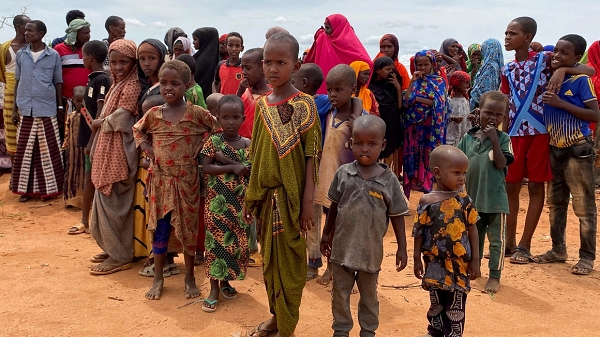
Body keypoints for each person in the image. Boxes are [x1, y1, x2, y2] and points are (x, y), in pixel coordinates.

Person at [243, 32, 321, 337]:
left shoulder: (305, 106)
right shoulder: (262, 106)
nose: (272, 68)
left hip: (291, 202)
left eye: (281, 62)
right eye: (267, 62)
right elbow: (258, 156)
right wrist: (252, 197)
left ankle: (286, 325)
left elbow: (311, 158)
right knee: (269, 266)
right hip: (265, 199)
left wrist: (306, 205)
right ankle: (276, 319)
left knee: (290, 268)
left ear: (296, 64)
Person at [501, 17, 594, 264]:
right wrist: (502, 136)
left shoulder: (545, 60)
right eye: (506, 33)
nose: (507, 37)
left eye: (513, 33)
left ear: (528, 37)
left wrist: (562, 69)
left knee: (535, 187)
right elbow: (506, 102)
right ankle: (509, 244)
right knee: (510, 187)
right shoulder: (507, 69)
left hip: (541, 133)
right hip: (515, 135)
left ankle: (524, 246)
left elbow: (589, 70)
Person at [133, 60, 219, 300]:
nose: (168, 88)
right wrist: (147, 148)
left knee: (188, 230)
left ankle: (190, 277)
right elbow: (137, 130)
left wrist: (202, 146)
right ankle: (158, 277)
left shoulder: (195, 113)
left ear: (187, 85)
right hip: (160, 181)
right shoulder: (153, 114)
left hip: (187, 181)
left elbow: (216, 128)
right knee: (159, 229)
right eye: (163, 83)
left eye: (175, 83)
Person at [320, 114, 409, 337]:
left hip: (370, 252)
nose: (364, 149)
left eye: (372, 144)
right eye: (358, 143)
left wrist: (402, 247)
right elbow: (334, 206)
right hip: (341, 249)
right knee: (340, 294)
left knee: (369, 297)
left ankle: (368, 331)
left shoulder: (389, 181)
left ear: (383, 145)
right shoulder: (344, 173)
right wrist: (326, 233)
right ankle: (341, 330)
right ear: (351, 143)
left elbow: (397, 215)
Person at [533, 34, 598, 276]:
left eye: (565, 53)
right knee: (556, 203)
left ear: (575, 57)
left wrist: (561, 103)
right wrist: (560, 70)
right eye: (556, 51)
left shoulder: (581, 81)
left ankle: (586, 257)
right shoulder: (548, 76)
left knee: (583, 205)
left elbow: (594, 115)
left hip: (577, 148)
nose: (557, 56)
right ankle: (558, 249)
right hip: (554, 148)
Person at [413, 145, 480, 337]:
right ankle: (434, 331)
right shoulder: (427, 201)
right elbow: (419, 231)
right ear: (437, 172)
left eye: (464, 173)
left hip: (459, 264)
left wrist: (475, 259)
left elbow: (472, 229)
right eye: (457, 173)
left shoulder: (464, 200)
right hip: (434, 262)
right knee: (436, 301)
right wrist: (417, 258)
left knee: (456, 302)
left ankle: (454, 334)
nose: (462, 179)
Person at [88, 39, 141, 275]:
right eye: (115, 62)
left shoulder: (131, 86)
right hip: (108, 149)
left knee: (115, 202)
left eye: (124, 62)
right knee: (107, 200)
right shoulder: (116, 84)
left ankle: (120, 255)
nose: (118, 67)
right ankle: (113, 248)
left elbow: (124, 118)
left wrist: (101, 122)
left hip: (119, 151)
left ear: (133, 63)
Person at [311, 64, 368, 285]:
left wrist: (357, 122)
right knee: (330, 226)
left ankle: (349, 272)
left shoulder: (360, 120)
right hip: (327, 182)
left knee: (349, 229)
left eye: (339, 90)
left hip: (350, 186)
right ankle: (331, 267)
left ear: (352, 90)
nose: (333, 95)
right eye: (330, 89)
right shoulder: (328, 110)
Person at [458, 91, 513, 294]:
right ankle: (474, 269)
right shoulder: (467, 138)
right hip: (472, 201)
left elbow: (501, 164)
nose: (493, 118)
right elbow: (459, 164)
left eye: (499, 115)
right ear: (478, 112)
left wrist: (495, 140)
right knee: (475, 238)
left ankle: (495, 276)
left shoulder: (504, 139)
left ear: (504, 117)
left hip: (496, 201)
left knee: (497, 241)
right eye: (488, 113)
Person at [201, 94, 251, 312]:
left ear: (243, 118)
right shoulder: (213, 142)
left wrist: (228, 161)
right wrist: (231, 167)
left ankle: (226, 282)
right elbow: (207, 168)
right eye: (225, 117)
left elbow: (248, 171)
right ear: (218, 118)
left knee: (233, 247)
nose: (230, 122)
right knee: (214, 246)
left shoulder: (248, 144)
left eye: (235, 117)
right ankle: (213, 290)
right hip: (216, 206)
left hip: (239, 207)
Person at [11, 20, 65, 202]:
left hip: (46, 108)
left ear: (41, 33)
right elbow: (18, 81)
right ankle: (24, 191)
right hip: (25, 108)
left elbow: (58, 82)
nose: (26, 33)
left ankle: (47, 191)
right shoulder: (21, 55)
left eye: (30, 31)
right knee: (25, 152)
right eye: (25, 30)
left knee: (48, 151)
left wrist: (59, 107)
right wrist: (14, 109)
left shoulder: (54, 55)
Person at [67, 40, 111, 234]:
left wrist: (92, 142)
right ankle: (86, 220)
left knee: (92, 179)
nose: (82, 59)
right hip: (90, 137)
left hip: (96, 139)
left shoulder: (101, 80)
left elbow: (100, 114)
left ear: (90, 58)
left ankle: (88, 221)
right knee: (88, 178)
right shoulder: (92, 79)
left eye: (83, 56)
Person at [135, 39, 169, 273]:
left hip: (161, 159)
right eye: (142, 59)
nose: (147, 63)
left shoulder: (166, 88)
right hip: (146, 156)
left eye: (152, 58)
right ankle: (151, 252)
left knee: (161, 211)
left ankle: (163, 259)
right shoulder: (145, 87)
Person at [403, 50, 449, 199]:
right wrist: (411, 82)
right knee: (411, 161)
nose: (422, 68)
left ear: (432, 64)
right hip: (413, 129)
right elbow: (406, 102)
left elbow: (440, 104)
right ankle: (406, 197)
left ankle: (428, 195)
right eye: (419, 64)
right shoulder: (414, 81)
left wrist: (418, 99)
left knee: (428, 159)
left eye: (425, 64)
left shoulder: (439, 81)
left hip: (430, 129)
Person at [304, 14, 372, 94]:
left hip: (344, 91)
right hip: (323, 87)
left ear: (338, 28)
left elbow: (367, 63)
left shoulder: (349, 43)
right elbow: (310, 59)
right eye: (325, 27)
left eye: (328, 28)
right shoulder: (322, 38)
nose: (326, 31)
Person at [54, 18, 91, 139]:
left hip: (87, 101)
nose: (88, 36)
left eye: (89, 32)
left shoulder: (89, 50)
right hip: (67, 102)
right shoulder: (59, 50)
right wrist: (59, 105)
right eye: (85, 33)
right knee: (67, 135)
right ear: (75, 34)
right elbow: (55, 78)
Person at [0, 14, 30, 165]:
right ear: (19, 27)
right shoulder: (5, 48)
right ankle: (15, 175)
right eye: (27, 26)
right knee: (11, 135)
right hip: (11, 94)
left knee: (28, 134)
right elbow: (2, 74)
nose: (30, 29)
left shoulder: (33, 48)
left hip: (30, 96)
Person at [369, 57, 404, 178]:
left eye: (392, 69)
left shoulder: (391, 85)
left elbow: (400, 107)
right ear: (378, 70)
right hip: (379, 129)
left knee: (390, 159)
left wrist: (398, 88)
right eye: (387, 69)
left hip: (393, 128)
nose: (391, 71)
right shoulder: (371, 89)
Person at [238, 48, 272, 139]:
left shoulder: (272, 97)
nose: (243, 72)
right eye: (242, 68)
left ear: (262, 69)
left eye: (248, 68)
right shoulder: (244, 93)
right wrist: (239, 93)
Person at [62, 86, 87, 209]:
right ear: (73, 101)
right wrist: (65, 146)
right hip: (72, 152)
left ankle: (82, 202)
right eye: (78, 101)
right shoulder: (71, 116)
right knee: (71, 175)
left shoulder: (88, 117)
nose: (81, 103)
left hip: (84, 153)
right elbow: (67, 133)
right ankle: (70, 200)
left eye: (83, 100)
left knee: (83, 176)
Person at [469, 38, 505, 110]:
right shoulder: (497, 65)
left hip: (483, 105)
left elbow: (485, 89)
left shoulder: (489, 66)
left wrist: (473, 92)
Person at [192, 27, 220, 97]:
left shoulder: (203, 61)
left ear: (203, 40)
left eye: (195, 39)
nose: (193, 42)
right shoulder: (215, 58)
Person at [447, 71, 472, 147]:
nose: (468, 86)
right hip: (452, 137)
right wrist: (452, 118)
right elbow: (443, 118)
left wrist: (470, 117)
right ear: (457, 84)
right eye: (466, 83)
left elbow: (466, 114)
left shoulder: (466, 100)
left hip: (463, 135)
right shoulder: (448, 101)